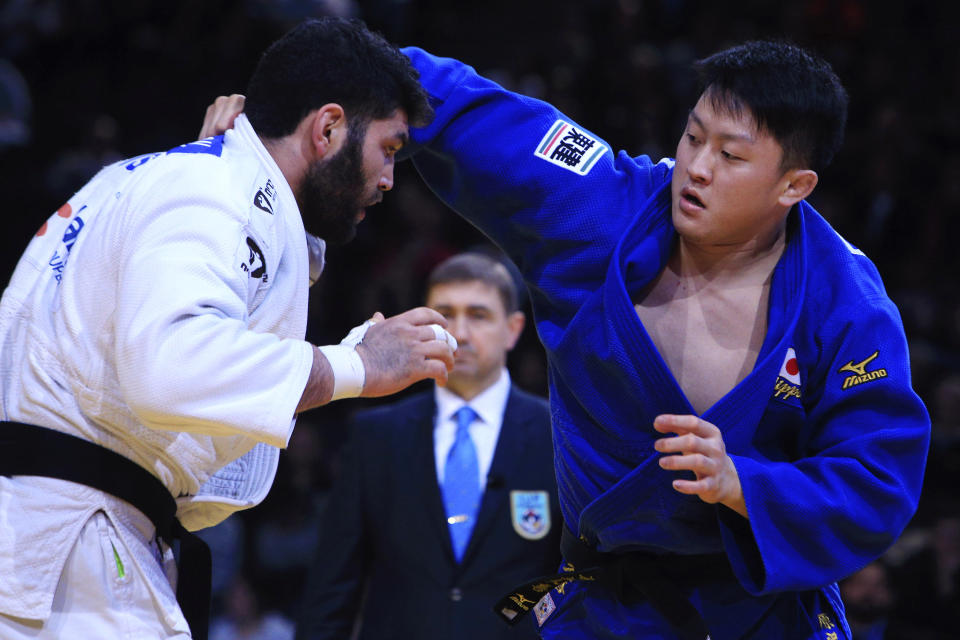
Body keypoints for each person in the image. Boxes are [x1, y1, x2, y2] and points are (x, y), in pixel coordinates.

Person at [201, 39, 931, 640]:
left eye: (732, 157)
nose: (697, 168)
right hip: (605, 610)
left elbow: (880, 479)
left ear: (793, 187)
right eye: (692, 136)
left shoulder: (847, 300)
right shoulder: (600, 207)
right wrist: (274, 129)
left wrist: (748, 485)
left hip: (763, 616)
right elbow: (448, 98)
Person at [0, 18, 457, 640]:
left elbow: (219, 477)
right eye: (390, 148)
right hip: (68, 550)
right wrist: (357, 368)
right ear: (328, 128)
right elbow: (173, 366)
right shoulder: (209, 188)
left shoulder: (170, 180)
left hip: (67, 535)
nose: (387, 179)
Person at [295, 251, 561, 640]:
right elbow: (332, 589)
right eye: (445, 315)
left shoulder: (556, 435)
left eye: (479, 315)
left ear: (514, 329)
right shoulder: (377, 436)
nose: (462, 333)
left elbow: (579, 581)